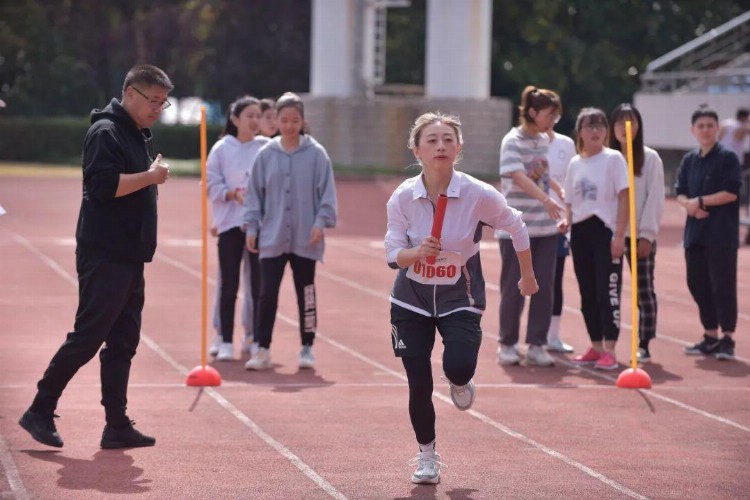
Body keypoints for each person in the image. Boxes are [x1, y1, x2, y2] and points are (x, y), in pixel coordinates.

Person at [19, 64, 173, 449]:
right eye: (153, 100)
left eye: (163, 103)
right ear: (131, 93)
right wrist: (150, 178)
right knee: (88, 336)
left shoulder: (135, 133)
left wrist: (147, 175)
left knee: (123, 341)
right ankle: (40, 408)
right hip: (105, 253)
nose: (158, 108)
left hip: (129, 254)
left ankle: (116, 424)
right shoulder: (106, 132)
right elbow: (104, 187)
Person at [386, 112, 538, 484]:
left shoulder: (477, 194)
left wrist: (528, 275)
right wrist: (416, 253)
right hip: (411, 300)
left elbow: (516, 226)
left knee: (458, 366)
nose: (441, 146)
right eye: (432, 140)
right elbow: (392, 254)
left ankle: (459, 379)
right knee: (418, 382)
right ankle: (427, 456)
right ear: (416, 149)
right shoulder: (404, 196)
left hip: (460, 296)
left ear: (458, 148)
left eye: (448, 139)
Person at [243, 92, 337, 370]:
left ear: (303, 121)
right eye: (283, 120)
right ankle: (262, 348)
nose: (289, 126)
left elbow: (327, 197)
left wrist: (320, 222)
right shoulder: (265, 154)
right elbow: (253, 195)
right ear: (277, 121)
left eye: (295, 120)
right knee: (266, 292)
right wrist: (251, 226)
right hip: (271, 237)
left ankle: (307, 346)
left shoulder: (317, 154)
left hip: (305, 238)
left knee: (305, 291)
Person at [496, 86, 565, 367]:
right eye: (551, 115)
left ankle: (537, 344)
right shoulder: (511, 140)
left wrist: (559, 191)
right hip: (517, 227)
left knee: (544, 287)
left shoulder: (543, 140)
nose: (554, 121)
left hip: (545, 228)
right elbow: (518, 177)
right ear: (533, 113)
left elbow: (541, 176)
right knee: (515, 286)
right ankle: (508, 343)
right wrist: (546, 198)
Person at [559, 108, 629, 371]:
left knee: (606, 290)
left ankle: (610, 348)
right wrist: (566, 222)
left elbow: (624, 197)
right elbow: (569, 201)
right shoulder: (576, 163)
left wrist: (620, 235)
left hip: (605, 231)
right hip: (580, 232)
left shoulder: (614, 159)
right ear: (580, 132)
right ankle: (596, 345)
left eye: (600, 125)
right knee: (587, 292)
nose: (596, 130)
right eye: (590, 126)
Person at [207, 96, 269, 361]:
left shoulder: (267, 148)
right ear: (235, 119)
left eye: (258, 116)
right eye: (249, 116)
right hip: (230, 224)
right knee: (228, 284)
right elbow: (211, 184)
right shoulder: (222, 148)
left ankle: (254, 337)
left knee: (258, 285)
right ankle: (224, 339)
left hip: (258, 226)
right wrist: (231, 194)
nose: (255, 120)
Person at [677, 106, 742, 361]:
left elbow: (732, 192)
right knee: (697, 284)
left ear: (718, 129)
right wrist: (689, 205)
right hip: (695, 234)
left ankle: (727, 338)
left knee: (722, 286)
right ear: (693, 130)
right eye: (700, 126)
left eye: (710, 126)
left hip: (721, 235)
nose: (705, 130)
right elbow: (680, 191)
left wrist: (701, 201)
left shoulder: (728, 158)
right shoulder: (689, 160)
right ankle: (710, 335)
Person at [609, 104, 665, 363]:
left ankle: (644, 342)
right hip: (611, 235)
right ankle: (607, 343)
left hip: (639, 234)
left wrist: (647, 235)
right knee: (610, 289)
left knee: (643, 290)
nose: (625, 127)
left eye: (630, 122)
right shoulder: (608, 157)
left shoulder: (650, 158)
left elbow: (655, 197)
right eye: (620, 122)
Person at [545, 121, 577, 354]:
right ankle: (514, 340)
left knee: (555, 280)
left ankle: (552, 336)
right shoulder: (522, 141)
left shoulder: (567, 144)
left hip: (558, 224)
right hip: (530, 222)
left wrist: (569, 217)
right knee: (523, 282)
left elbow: (571, 183)